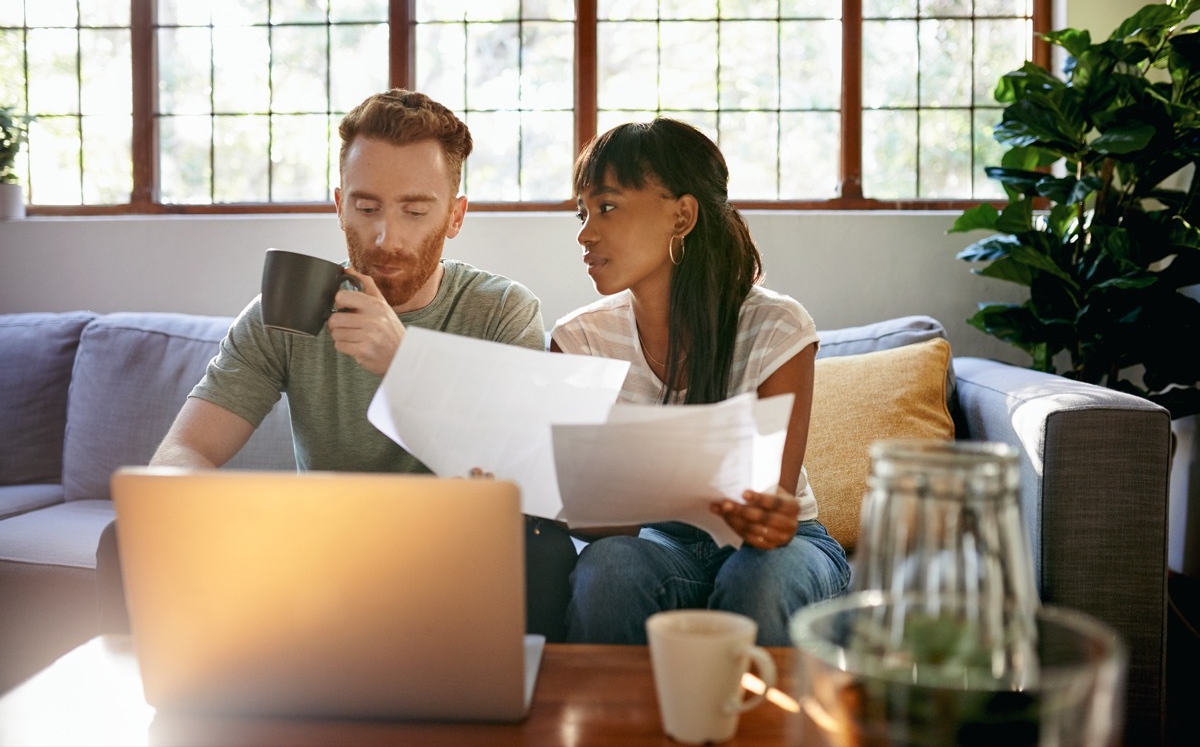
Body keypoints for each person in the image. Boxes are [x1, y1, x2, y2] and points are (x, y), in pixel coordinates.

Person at [97, 88, 577, 640]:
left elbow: (528, 478)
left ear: (455, 216)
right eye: (366, 207)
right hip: (323, 550)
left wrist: (405, 362)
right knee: (130, 537)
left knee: (539, 552)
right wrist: (221, 517)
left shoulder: (499, 310)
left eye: (415, 211)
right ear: (338, 204)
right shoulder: (288, 309)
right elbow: (184, 451)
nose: (384, 236)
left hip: (451, 547)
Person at [550, 118, 850, 646]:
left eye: (608, 207)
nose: (585, 233)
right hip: (658, 543)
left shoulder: (776, 327)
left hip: (778, 548)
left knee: (759, 577)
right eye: (583, 213)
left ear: (681, 215)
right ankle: (617, 729)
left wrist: (766, 511)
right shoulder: (580, 340)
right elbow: (590, 520)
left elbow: (769, 515)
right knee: (610, 571)